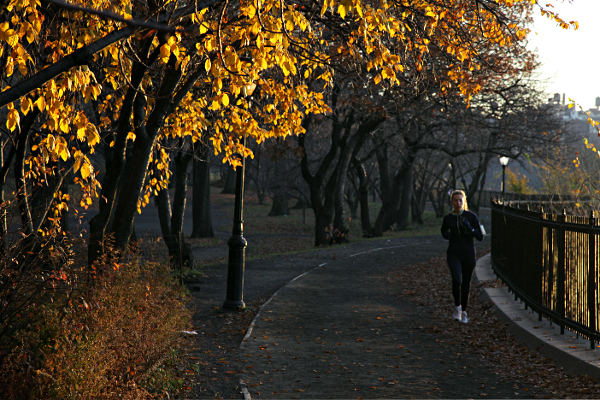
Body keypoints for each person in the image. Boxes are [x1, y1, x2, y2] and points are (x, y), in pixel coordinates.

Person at [440, 190, 484, 323]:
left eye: (460, 200)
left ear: (464, 201)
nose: (458, 203)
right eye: (455, 200)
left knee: (465, 283)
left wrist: (469, 228)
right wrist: (448, 236)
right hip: (454, 253)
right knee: (456, 280)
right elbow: (443, 230)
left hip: (468, 254)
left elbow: (481, 236)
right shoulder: (448, 218)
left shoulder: (471, 216)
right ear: (452, 202)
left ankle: (464, 312)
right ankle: (457, 307)